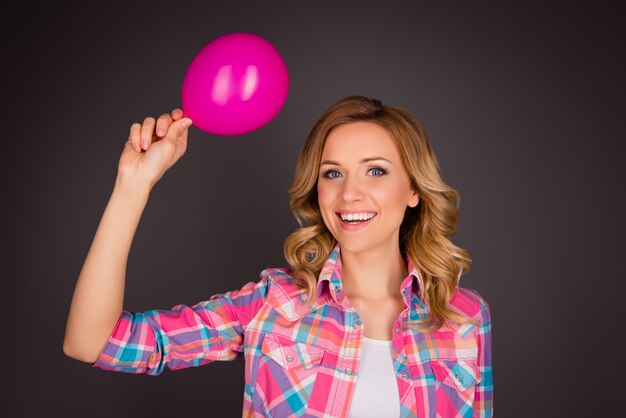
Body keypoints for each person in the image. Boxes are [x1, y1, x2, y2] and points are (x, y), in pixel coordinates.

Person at [63, 96, 493, 417]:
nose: (349, 193)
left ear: (414, 190)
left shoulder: (467, 317)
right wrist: (133, 183)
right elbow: (95, 344)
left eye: (376, 170)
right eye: (333, 173)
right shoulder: (274, 304)